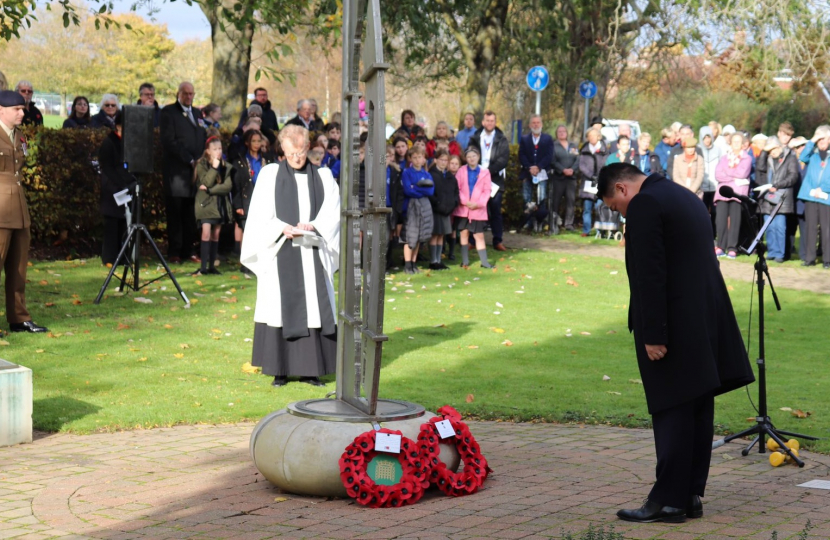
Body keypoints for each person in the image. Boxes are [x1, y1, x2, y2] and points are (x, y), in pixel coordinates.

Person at [598, 162, 754, 524]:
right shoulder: (684, 195)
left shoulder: (645, 203)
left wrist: (653, 333)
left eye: (613, 205)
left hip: (673, 325)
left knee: (671, 410)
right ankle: (690, 494)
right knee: (697, 408)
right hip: (703, 319)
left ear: (622, 189)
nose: (618, 212)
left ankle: (668, 500)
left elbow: (651, 272)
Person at [240, 124, 341, 388]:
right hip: (280, 250)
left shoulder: (323, 176)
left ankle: (312, 370)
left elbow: (332, 212)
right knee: (278, 309)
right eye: (292, 152)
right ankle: (280, 369)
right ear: (282, 149)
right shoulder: (270, 174)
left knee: (314, 309)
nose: (297, 158)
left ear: (308, 148)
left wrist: (314, 225)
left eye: (301, 152)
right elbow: (260, 213)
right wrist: (280, 228)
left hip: (311, 251)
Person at [0, 90, 48, 333]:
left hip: (18, 208)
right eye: (16, 109)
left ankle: (19, 318)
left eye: (22, 108)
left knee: (19, 268)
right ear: (1, 110)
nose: (22, 113)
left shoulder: (19, 135)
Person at [160, 82, 207, 264]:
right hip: (177, 173)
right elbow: (168, 140)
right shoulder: (168, 112)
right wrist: (189, 159)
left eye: (191, 94)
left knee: (191, 215)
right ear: (178, 94)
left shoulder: (197, 113)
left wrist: (202, 157)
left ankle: (190, 250)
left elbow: (201, 135)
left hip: (195, 173)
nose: (188, 97)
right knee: (176, 214)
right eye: (185, 94)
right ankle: (174, 252)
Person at [468, 110, 509, 251]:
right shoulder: (475, 137)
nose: (490, 123)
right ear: (483, 122)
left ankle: (497, 241)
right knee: (476, 209)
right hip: (477, 177)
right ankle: (472, 241)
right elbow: (470, 153)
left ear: (495, 122)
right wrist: (478, 170)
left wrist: (488, 171)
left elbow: (503, 159)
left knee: (495, 209)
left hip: (494, 179)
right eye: (487, 120)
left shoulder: (501, 138)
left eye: (492, 121)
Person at [192, 137, 232, 275]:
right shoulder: (201, 165)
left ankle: (212, 266)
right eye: (215, 149)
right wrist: (214, 167)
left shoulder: (225, 165)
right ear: (208, 151)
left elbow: (227, 186)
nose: (218, 152)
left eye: (220, 148)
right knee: (206, 233)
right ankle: (203, 267)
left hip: (219, 203)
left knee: (216, 234)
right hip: (206, 204)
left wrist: (210, 190)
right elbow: (206, 181)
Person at [755, 135, 798, 263]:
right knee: (769, 226)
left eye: (775, 148)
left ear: (780, 147)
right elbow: (760, 168)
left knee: (780, 226)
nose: (772, 152)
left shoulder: (790, 158)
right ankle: (772, 251)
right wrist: (764, 151)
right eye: (770, 150)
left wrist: (777, 185)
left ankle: (780, 253)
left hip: (782, 197)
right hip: (768, 198)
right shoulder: (767, 158)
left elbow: (793, 176)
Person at [97, 110, 132, 266]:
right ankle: (110, 257)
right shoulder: (109, 142)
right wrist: (119, 184)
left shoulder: (129, 142)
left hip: (126, 186)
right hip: (112, 188)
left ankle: (124, 256)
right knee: (112, 224)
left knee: (125, 223)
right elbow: (107, 167)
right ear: (118, 126)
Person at [452, 147, 494, 269]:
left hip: (478, 210)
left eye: (474, 156)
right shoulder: (461, 171)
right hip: (463, 209)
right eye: (469, 157)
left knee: (479, 235)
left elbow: (487, 191)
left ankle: (484, 262)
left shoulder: (485, 172)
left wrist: (479, 204)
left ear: (478, 157)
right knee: (464, 234)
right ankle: (465, 261)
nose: (471, 159)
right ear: (466, 159)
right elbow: (457, 188)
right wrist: (465, 201)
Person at [714, 132, 752, 259]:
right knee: (720, 220)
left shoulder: (747, 158)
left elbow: (742, 174)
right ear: (730, 143)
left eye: (738, 141)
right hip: (722, 193)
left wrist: (727, 174)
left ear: (742, 144)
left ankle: (732, 248)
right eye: (734, 141)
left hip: (737, 193)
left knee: (735, 221)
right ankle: (721, 246)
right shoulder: (724, 158)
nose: (736, 144)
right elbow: (718, 174)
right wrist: (733, 177)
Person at [797, 125, 830, 268]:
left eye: (824, 138)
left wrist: (823, 189)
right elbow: (802, 157)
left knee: (826, 229)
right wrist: (813, 140)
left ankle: (827, 260)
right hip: (811, 196)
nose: (821, 141)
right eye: (819, 139)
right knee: (810, 228)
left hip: (826, 197)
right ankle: (809, 259)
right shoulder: (813, 154)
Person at [401, 146, 434, 274]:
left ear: (424, 159)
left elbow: (430, 190)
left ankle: (414, 264)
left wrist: (416, 187)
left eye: (419, 157)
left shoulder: (426, 174)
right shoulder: (407, 173)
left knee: (420, 235)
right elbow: (408, 190)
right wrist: (421, 189)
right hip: (411, 205)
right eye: (414, 157)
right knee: (411, 235)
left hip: (424, 205)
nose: (417, 159)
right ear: (410, 159)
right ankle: (407, 265)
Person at [427, 149, 459, 270]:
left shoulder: (450, 176)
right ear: (435, 160)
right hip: (436, 209)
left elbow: (455, 192)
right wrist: (438, 204)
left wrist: (453, 204)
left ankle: (439, 260)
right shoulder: (432, 174)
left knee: (441, 235)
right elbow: (430, 193)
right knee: (435, 235)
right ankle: (433, 261)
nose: (444, 162)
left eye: (446, 160)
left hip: (447, 210)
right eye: (441, 159)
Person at [518, 115, 554, 207]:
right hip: (527, 172)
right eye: (533, 123)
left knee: (542, 198)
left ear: (541, 124)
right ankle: (528, 220)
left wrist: (539, 167)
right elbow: (522, 155)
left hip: (542, 172)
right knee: (526, 198)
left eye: (538, 123)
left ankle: (540, 220)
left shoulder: (548, 139)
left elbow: (549, 155)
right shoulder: (524, 139)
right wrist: (529, 167)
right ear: (530, 125)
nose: (536, 125)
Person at [578, 128, 608, 237]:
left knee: (599, 207)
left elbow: (606, 164)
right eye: (589, 136)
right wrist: (591, 175)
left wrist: (599, 177)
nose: (592, 138)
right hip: (587, 182)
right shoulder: (584, 150)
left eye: (594, 135)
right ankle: (586, 230)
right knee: (587, 208)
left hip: (600, 182)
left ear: (598, 136)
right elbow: (581, 165)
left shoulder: (604, 150)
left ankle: (600, 231)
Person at [550, 125, 579, 231]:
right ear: (556, 134)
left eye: (563, 131)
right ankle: (554, 221)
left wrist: (572, 169)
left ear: (567, 133)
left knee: (571, 201)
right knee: (556, 200)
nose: (562, 133)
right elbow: (553, 161)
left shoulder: (573, 145)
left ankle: (569, 224)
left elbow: (577, 159)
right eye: (559, 131)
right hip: (559, 178)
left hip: (571, 178)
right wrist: (563, 170)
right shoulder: (553, 146)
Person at [385, 145, 404, 270]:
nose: (389, 158)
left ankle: (389, 262)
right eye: (387, 156)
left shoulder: (395, 171)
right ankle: (382, 265)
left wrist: (397, 209)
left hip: (391, 207)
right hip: (380, 207)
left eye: (391, 156)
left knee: (390, 235)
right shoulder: (375, 170)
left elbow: (399, 192)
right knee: (383, 237)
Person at [699, 126, 722, 222]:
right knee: (702, 211)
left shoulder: (718, 150)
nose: (707, 140)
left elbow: (721, 165)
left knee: (714, 211)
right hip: (702, 187)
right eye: (705, 138)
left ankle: (713, 233)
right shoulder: (698, 150)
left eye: (709, 137)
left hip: (714, 187)